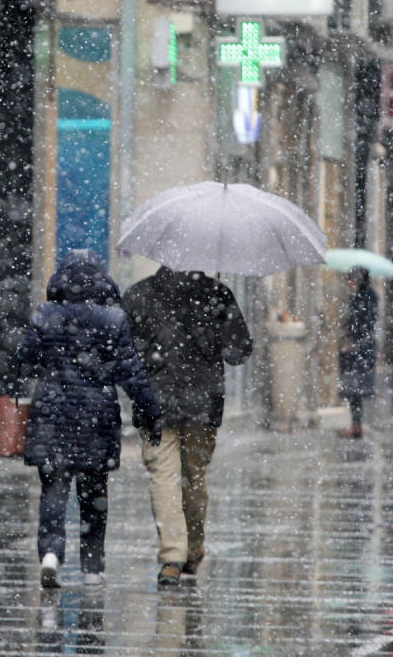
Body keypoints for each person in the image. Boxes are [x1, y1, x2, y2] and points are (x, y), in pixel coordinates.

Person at [18, 250, 161, 588]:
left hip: (52, 414)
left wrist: (50, 365)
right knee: (94, 496)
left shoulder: (45, 314)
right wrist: (150, 409)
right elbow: (130, 372)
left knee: (53, 491)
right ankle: (93, 568)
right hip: (96, 418)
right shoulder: (113, 319)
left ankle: (50, 554)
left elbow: (25, 359)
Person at [124, 267, 253, 586]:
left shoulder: (140, 294)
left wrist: (147, 366)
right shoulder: (217, 294)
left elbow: (124, 350)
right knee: (193, 477)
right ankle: (192, 549)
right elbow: (239, 352)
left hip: (155, 401)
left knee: (163, 475)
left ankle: (172, 557)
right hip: (202, 401)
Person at [338, 268, 378, 439]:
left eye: (351, 280)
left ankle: (356, 425)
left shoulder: (365, 298)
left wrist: (351, 336)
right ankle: (356, 424)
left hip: (359, 350)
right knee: (355, 390)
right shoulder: (362, 297)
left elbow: (363, 323)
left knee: (356, 390)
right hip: (359, 349)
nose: (349, 284)